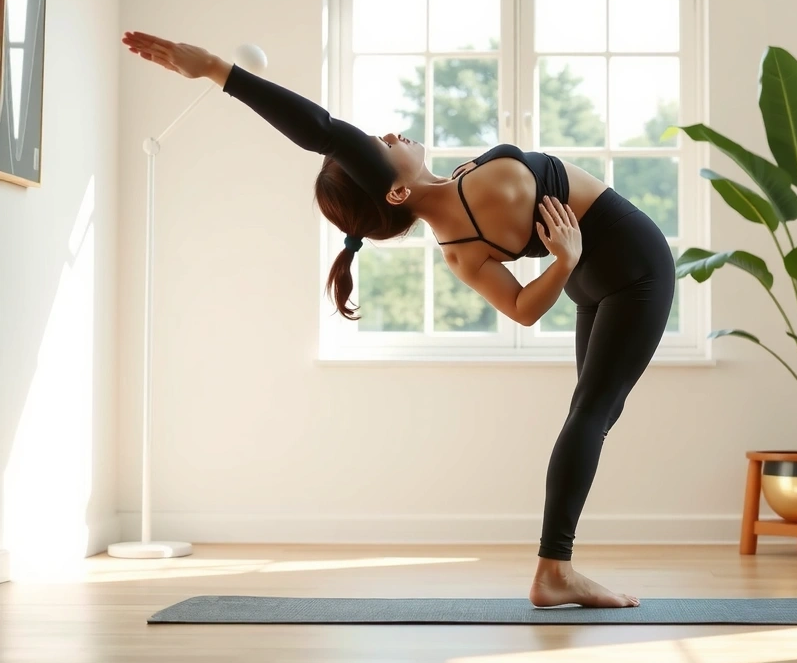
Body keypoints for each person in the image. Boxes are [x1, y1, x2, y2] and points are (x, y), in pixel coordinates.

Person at [123, 31, 676, 609]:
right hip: (635, 266)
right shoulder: (479, 185)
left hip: (585, 272)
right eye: (378, 147)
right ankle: (554, 569)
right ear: (393, 189)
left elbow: (523, 311)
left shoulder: (457, 248)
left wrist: (566, 264)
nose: (386, 136)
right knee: (592, 413)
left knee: (588, 412)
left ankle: (555, 568)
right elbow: (325, 131)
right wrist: (217, 68)